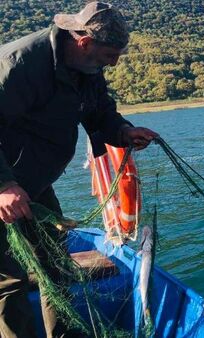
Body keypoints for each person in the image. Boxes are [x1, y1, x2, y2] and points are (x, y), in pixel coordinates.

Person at [0, 2, 158, 337]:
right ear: (84, 41)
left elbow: (100, 111)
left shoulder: (85, 68)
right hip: (6, 184)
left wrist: (123, 132)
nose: (113, 64)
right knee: (9, 280)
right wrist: (3, 186)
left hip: (35, 184)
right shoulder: (19, 63)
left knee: (55, 266)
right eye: (107, 57)